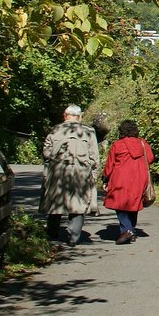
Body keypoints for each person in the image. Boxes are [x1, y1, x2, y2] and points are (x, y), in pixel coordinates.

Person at [39, 104, 100, 246]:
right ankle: (73, 237)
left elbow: (46, 152)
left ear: (65, 115)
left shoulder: (55, 130)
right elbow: (94, 157)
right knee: (78, 203)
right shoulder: (89, 132)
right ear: (80, 116)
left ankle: (52, 233)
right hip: (81, 172)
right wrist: (93, 173)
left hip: (58, 171)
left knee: (55, 202)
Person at [102, 120, 154, 245]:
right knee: (133, 204)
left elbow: (110, 163)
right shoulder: (143, 143)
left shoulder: (118, 145)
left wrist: (105, 178)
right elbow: (150, 158)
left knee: (119, 205)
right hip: (140, 177)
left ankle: (127, 230)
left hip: (121, 177)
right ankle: (131, 231)